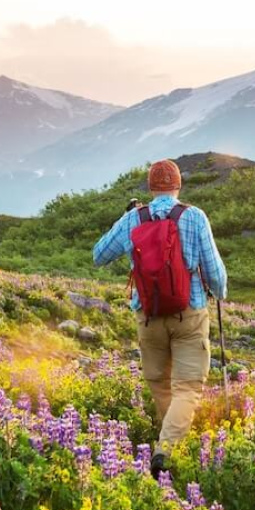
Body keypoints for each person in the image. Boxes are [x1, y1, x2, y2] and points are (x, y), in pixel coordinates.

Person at [93, 158, 227, 476]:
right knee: (187, 388)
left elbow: (98, 255)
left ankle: (167, 454)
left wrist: (126, 219)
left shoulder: (133, 218)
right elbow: (214, 271)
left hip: (148, 316)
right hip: (189, 314)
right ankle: (166, 452)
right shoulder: (194, 216)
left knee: (160, 384)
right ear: (178, 185)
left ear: (151, 187)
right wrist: (219, 292)